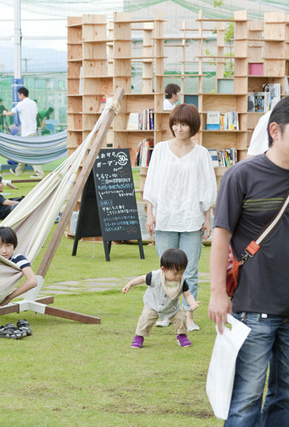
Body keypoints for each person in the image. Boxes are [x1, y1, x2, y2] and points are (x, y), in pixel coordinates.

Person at [208, 96, 289, 425]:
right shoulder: (242, 175)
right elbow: (220, 236)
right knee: (246, 399)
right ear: (275, 130)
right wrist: (217, 292)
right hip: (252, 307)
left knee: (285, 397)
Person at [143, 104, 216, 331]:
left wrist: (207, 217)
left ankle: (188, 317)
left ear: (192, 126)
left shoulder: (202, 154)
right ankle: (166, 314)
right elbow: (151, 185)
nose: (179, 128)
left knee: (190, 271)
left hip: (191, 218)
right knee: (166, 271)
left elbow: (207, 187)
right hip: (165, 218)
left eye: (184, 124)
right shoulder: (162, 150)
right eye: (175, 123)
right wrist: (150, 214)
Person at [122, 249, 199, 348]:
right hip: (153, 305)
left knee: (181, 318)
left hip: (172, 308)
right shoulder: (154, 276)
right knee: (145, 320)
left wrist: (192, 303)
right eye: (175, 273)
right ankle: (139, 337)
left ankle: (182, 336)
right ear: (163, 269)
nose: (179, 276)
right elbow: (142, 278)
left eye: (182, 272)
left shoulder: (182, 281)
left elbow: (187, 294)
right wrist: (130, 284)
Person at [0, 226, 37, 307]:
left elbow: (32, 281)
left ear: (14, 246)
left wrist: (9, 298)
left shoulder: (17, 259)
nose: (4, 251)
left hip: (1, 293)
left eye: (8, 245)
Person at [3, 87, 43, 178]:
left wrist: (5, 113)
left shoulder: (21, 104)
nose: (18, 96)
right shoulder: (33, 103)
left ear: (21, 94)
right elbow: (35, 114)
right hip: (33, 131)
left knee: (30, 154)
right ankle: (18, 171)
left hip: (27, 133)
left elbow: (11, 113)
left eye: (18, 95)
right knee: (26, 153)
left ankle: (39, 173)